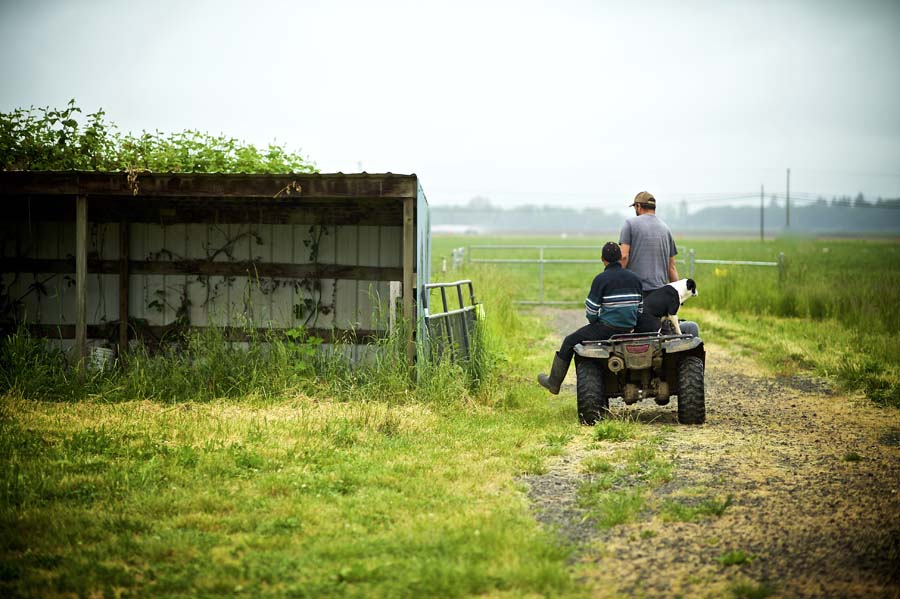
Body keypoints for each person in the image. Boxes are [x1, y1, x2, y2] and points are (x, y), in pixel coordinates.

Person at [537, 242, 643, 394]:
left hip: (607, 329)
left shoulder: (601, 279)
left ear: (602, 259)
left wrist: (596, 324)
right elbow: (640, 309)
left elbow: (591, 311)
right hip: (629, 328)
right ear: (621, 258)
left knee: (569, 341)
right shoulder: (635, 278)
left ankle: (553, 383)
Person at [619, 191, 679, 296]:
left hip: (635, 290)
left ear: (638, 206)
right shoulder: (666, 228)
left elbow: (624, 256)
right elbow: (671, 267)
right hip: (659, 292)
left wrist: (616, 281)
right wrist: (678, 293)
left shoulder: (630, 224)